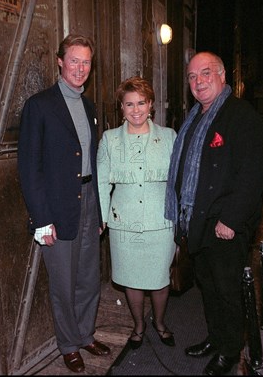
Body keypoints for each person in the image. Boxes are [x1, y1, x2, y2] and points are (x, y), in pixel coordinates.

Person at [164, 51, 263, 375]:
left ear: (222, 76)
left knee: (227, 291)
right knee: (208, 287)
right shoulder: (195, 116)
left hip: (224, 226)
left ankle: (231, 350)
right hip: (200, 222)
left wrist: (231, 221)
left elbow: (251, 176)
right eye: (192, 77)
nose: (198, 82)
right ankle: (216, 337)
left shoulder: (241, 116)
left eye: (205, 73)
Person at [17, 34, 111, 373]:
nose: (81, 68)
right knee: (63, 282)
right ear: (60, 61)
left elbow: (93, 162)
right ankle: (68, 344)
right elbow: (29, 168)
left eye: (86, 62)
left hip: (88, 200)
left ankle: (85, 334)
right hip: (56, 207)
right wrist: (41, 219)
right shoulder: (39, 105)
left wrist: (98, 209)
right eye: (74, 60)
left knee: (89, 275)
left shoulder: (88, 106)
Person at [97, 76, 177, 350]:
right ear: (121, 107)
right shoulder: (109, 140)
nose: (136, 110)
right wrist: (102, 217)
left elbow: (178, 182)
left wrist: (181, 219)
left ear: (151, 104)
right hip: (123, 223)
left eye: (141, 103)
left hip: (161, 223)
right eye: (129, 104)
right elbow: (102, 182)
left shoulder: (169, 137)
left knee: (159, 278)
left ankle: (160, 323)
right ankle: (138, 325)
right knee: (131, 278)